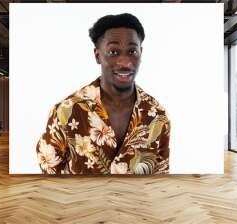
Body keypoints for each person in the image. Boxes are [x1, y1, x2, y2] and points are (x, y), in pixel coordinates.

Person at [36, 13, 170, 175]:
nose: (125, 62)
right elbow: (49, 169)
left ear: (141, 53)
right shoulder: (66, 110)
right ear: (98, 55)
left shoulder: (157, 115)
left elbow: (160, 174)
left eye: (132, 52)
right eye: (114, 52)